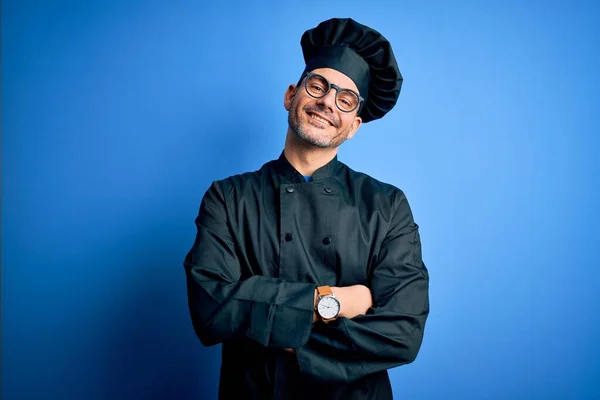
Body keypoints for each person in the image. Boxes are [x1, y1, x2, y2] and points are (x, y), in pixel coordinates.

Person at [184, 17, 429, 400]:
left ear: (354, 126)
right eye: (317, 85)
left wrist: (269, 321)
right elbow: (211, 308)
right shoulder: (228, 198)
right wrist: (336, 302)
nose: (327, 102)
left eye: (345, 99)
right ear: (290, 95)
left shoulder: (386, 205)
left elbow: (403, 332)